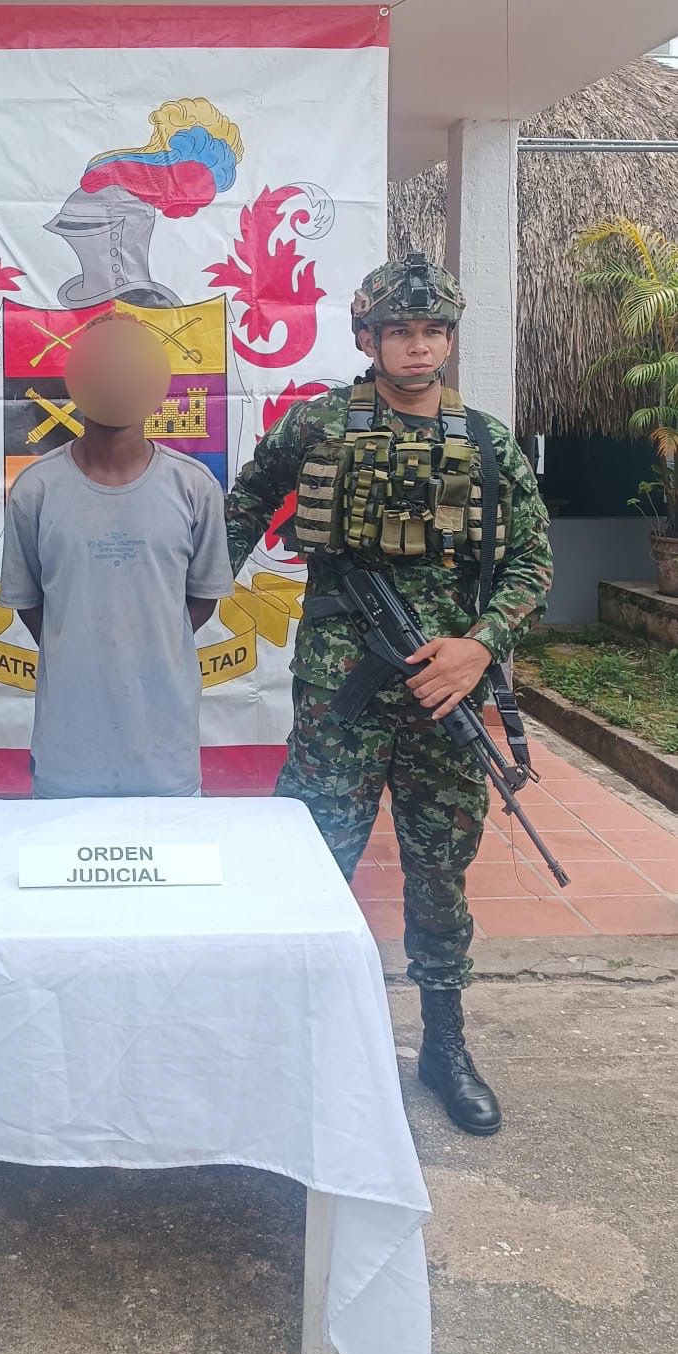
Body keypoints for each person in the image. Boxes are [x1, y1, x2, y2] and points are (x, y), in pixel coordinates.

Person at [224, 253, 553, 1136]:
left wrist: (479, 646)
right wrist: (187, 600)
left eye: (432, 331)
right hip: (341, 693)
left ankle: (442, 1047)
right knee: (311, 861)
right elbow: (244, 504)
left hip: (446, 696)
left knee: (438, 874)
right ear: (366, 337)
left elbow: (531, 563)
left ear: (448, 339)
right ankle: (290, 1041)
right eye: (399, 331)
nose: (416, 346)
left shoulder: (486, 441)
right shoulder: (318, 424)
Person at [0, 315, 234, 798]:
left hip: (165, 752)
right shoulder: (36, 489)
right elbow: (29, 602)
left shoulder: (193, 487)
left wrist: (150, 644)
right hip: (68, 750)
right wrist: (78, 648)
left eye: (131, 363)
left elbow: (202, 599)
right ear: (79, 376)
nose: (117, 376)